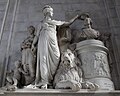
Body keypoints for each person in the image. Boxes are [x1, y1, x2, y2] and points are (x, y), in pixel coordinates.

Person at [32, 5, 79, 89]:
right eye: (51, 11)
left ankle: (51, 79)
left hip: (53, 42)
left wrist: (77, 16)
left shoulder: (54, 22)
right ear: (48, 12)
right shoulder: (40, 23)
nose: (52, 13)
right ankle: (44, 81)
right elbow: (36, 36)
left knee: (57, 56)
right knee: (43, 59)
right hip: (43, 40)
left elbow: (67, 23)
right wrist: (33, 44)